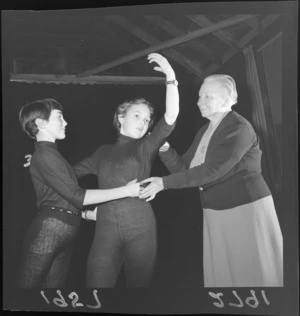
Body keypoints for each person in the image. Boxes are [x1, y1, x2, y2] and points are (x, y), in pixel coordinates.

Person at [140, 74, 283, 287]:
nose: (199, 102)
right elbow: (186, 169)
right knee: (228, 277)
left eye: (208, 97)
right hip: (215, 210)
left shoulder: (239, 127)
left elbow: (212, 170)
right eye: (200, 96)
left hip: (245, 208)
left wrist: (163, 183)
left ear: (227, 98)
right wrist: (165, 149)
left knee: (252, 275)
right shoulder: (204, 131)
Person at [72, 53, 179, 287]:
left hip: (141, 229)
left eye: (147, 119)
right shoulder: (102, 152)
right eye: (137, 115)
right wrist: (40, 159)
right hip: (105, 231)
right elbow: (68, 174)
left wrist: (170, 77)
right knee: (96, 289)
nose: (143, 122)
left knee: (137, 296)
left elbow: (170, 117)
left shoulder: (145, 146)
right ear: (121, 117)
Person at [16, 98, 140, 288]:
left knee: (52, 298)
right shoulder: (44, 155)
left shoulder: (50, 155)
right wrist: (127, 191)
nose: (65, 122)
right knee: (24, 293)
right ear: (41, 123)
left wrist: (88, 215)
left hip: (65, 230)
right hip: (50, 229)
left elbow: (68, 184)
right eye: (59, 117)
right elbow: (78, 196)